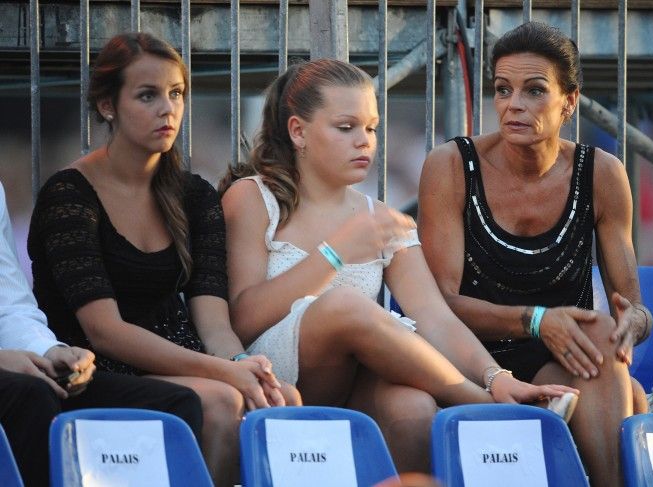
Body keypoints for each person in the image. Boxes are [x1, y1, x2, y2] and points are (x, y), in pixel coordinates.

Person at [219, 58, 578, 473]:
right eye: (345, 127)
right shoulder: (252, 198)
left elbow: (434, 317)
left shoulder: (380, 217)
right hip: (274, 374)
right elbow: (242, 319)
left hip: (354, 380)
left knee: (413, 408)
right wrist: (335, 254)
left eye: (370, 128)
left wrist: (498, 376)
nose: (364, 142)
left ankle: (493, 400)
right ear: (298, 131)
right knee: (345, 306)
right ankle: (486, 408)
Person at [27, 32, 300, 487]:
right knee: (220, 400)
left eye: (176, 94)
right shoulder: (69, 194)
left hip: (182, 360)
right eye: (147, 95)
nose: (167, 108)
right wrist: (227, 373)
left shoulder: (195, 195)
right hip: (91, 369)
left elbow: (212, 320)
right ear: (107, 105)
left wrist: (243, 366)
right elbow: (104, 332)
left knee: (281, 398)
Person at [418, 21, 653, 487]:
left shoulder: (602, 174)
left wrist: (636, 325)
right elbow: (440, 303)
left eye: (534, 91)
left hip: (561, 355)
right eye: (503, 90)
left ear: (570, 101)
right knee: (632, 395)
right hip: (467, 356)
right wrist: (538, 319)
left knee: (609, 342)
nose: (513, 105)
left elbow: (633, 305)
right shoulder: (451, 166)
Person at [0, 180, 204, 486]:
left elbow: (10, 302)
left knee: (175, 404)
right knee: (34, 395)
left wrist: (51, 351)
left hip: (15, 367)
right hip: (14, 379)